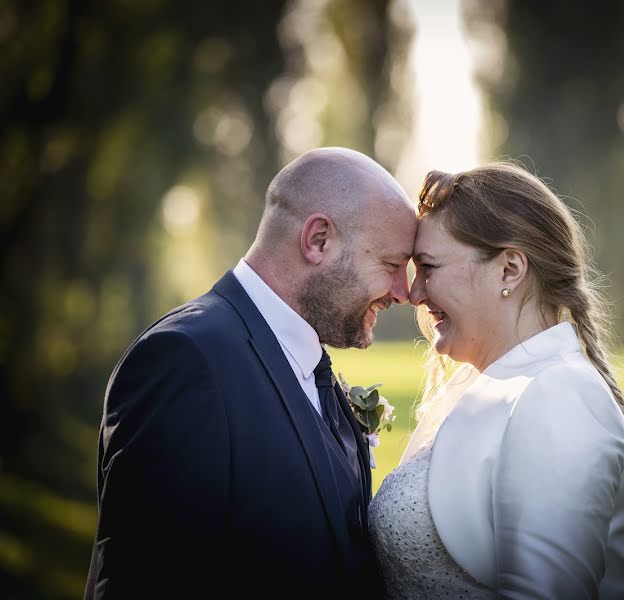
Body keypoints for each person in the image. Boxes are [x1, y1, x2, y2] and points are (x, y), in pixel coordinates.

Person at [84, 147, 417, 599]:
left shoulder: (314, 367)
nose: (404, 292)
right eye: (391, 265)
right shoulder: (184, 360)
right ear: (318, 240)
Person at [369, 163, 624, 599]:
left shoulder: (561, 395)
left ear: (509, 269)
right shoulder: (472, 384)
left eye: (428, 267)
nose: (414, 293)